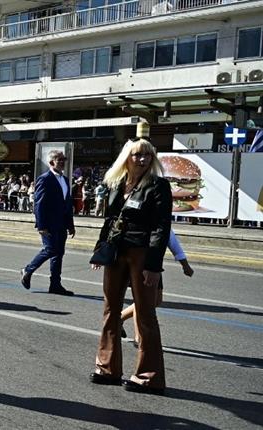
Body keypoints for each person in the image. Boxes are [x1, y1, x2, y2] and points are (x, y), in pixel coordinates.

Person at [89, 138, 171, 395]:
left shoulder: (158, 185)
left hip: (141, 253)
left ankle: (149, 377)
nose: (142, 159)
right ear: (127, 157)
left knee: (145, 313)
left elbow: (161, 227)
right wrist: (99, 251)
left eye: (147, 155)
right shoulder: (116, 183)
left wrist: (153, 266)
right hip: (116, 252)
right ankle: (107, 369)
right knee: (109, 310)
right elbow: (110, 220)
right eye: (137, 155)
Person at [121, 230, 193, 345]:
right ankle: (138, 337)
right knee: (142, 301)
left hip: (154, 264)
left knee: (156, 301)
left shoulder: (162, 218)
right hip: (142, 262)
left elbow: (171, 239)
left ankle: (120, 319)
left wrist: (185, 264)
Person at [20, 149, 75, 296]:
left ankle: (55, 284)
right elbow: (39, 203)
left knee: (59, 253)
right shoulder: (45, 179)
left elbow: (67, 204)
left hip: (62, 223)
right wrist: (41, 225)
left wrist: (70, 224)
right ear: (52, 162)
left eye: (64, 159)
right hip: (49, 224)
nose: (63, 162)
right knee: (50, 249)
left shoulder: (65, 180)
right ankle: (28, 269)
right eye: (60, 159)